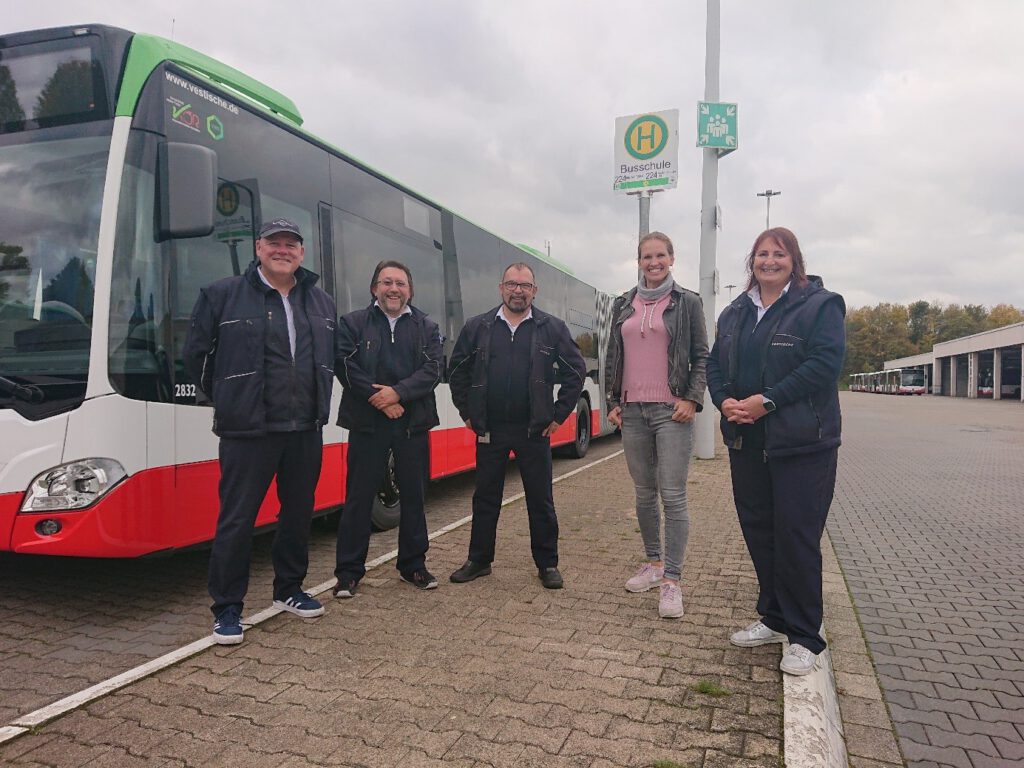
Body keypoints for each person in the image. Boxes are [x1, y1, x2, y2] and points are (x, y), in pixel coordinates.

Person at [183, 218, 337, 645]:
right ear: (258, 247)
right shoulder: (222, 295)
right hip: (248, 429)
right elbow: (196, 358)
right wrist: (230, 399)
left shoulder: (321, 301)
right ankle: (227, 608)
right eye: (275, 243)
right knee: (237, 519)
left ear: (302, 253)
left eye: (291, 244)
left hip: (305, 426)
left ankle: (289, 589)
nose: (283, 250)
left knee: (297, 514)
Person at [706, 226, 845, 676]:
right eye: (762, 254)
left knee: (796, 538)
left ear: (794, 260)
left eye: (779, 254)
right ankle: (775, 617)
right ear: (752, 261)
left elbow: (824, 365)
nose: (769, 261)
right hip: (747, 441)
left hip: (802, 445)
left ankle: (806, 637)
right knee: (760, 531)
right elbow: (713, 363)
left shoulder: (820, 306)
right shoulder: (735, 312)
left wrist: (767, 402)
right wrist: (724, 399)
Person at [448, 262, 586, 589]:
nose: (518, 290)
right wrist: (467, 412)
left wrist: (558, 415)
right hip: (489, 430)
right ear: (501, 288)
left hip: (534, 431)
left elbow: (575, 371)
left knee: (540, 500)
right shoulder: (478, 327)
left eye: (525, 285)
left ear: (534, 291)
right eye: (512, 284)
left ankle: (547, 564)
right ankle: (479, 560)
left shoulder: (551, 328)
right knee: (485, 499)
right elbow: (456, 371)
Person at [604, 231, 708, 619]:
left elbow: (701, 355)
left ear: (671, 258)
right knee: (644, 493)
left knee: (673, 494)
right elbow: (613, 354)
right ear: (638, 261)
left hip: (671, 411)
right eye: (646, 256)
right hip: (632, 412)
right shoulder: (622, 304)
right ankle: (653, 564)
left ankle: (672, 582)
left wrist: (692, 398)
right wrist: (613, 402)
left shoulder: (687, 302)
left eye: (660, 255)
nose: (653, 262)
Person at [332, 260, 443, 598]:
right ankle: (349, 573)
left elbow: (434, 368)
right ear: (374, 288)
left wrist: (398, 393)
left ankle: (413, 565)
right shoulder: (352, 323)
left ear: (410, 290)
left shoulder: (426, 326)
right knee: (358, 499)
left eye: (400, 283)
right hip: (367, 423)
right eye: (386, 282)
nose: (393, 289)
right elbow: (344, 364)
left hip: (413, 423)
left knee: (414, 498)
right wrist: (378, 398)